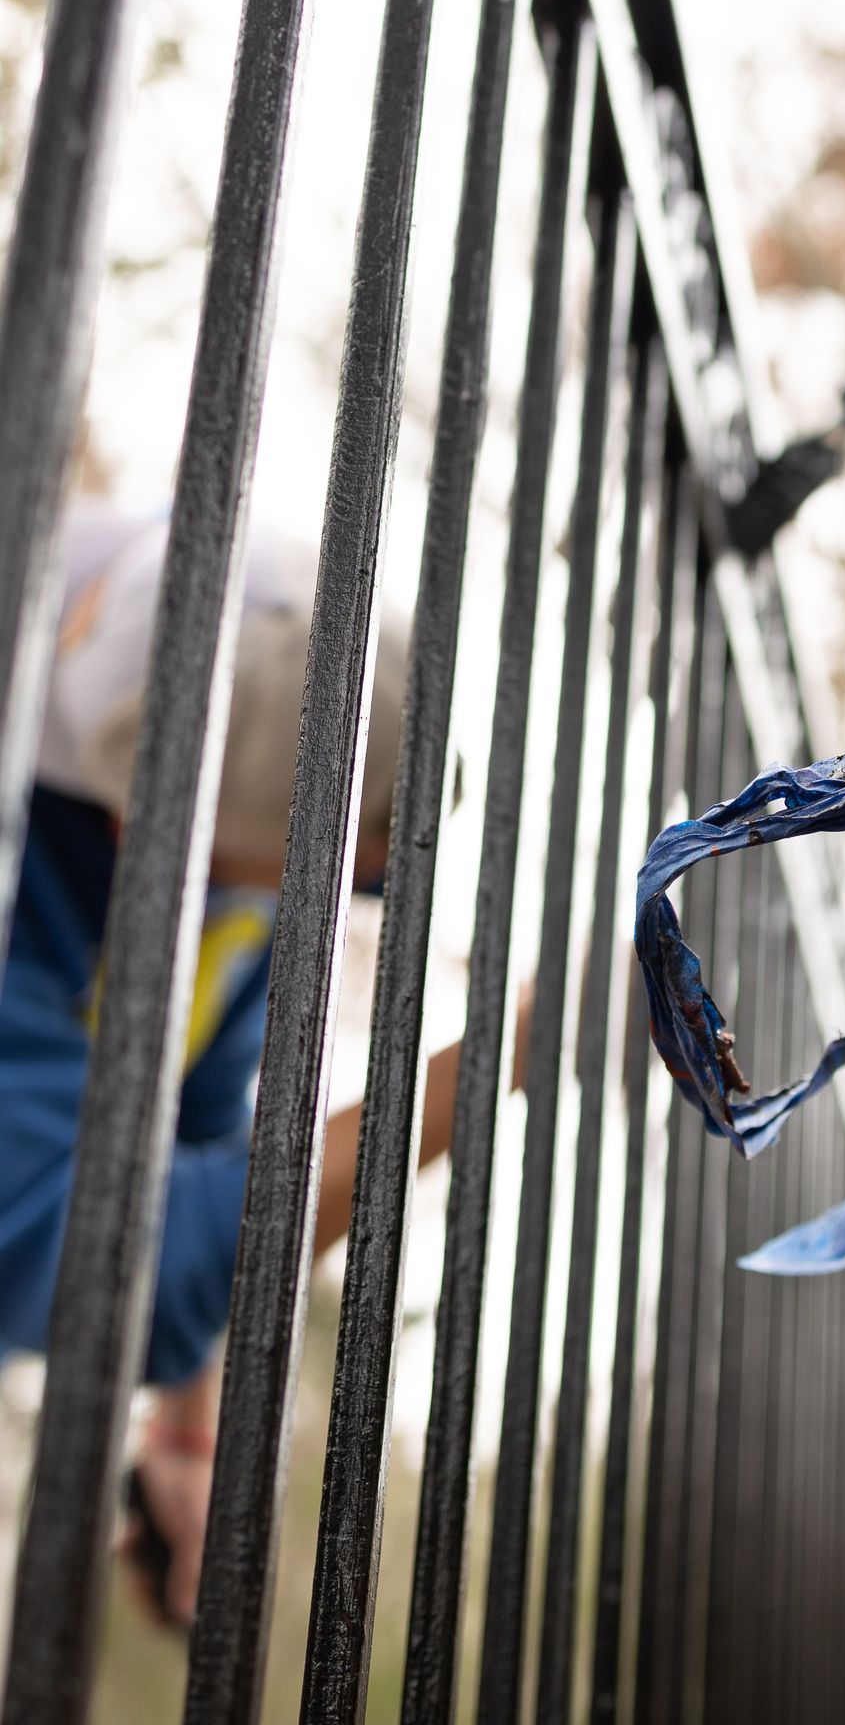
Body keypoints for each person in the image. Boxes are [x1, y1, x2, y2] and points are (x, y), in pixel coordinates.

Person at [2, 509, 486, 1624]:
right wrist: (507, 1051)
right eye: (332, 863)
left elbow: (195, 1133)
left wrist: (185, 1421)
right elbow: (96, 1264)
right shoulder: (37, 854)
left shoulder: (224, 871)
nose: (349, 897)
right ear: (149, 824)